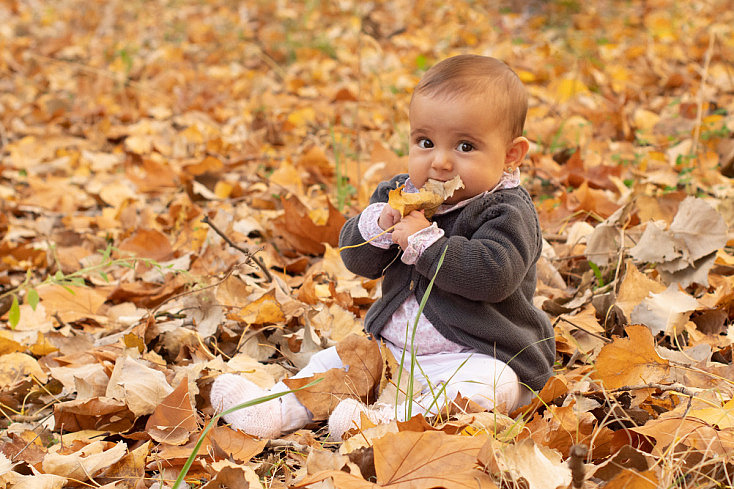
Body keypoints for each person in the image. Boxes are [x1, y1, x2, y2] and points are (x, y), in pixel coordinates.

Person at [210, 54, 555, 441]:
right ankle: (274, 409)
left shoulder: (505, 210)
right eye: (426, 142)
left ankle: (392, 423)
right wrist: (376, 226)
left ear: (511, 154)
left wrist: (427, 244)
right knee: (338, 360)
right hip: (393, 351)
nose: (439, 162)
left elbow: (493, 276)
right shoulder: (401, 194)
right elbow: (359, 261)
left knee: (492, 385)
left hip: (478, 353)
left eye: (464, 146)